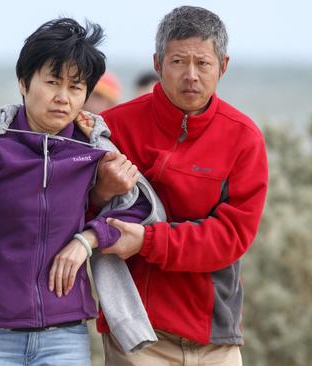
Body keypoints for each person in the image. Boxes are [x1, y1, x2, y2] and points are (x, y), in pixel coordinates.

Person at [0, 18, 157, 365]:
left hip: (65, 335)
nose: (63, 98)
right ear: (24, 82)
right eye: (52, 82)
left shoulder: (93, 151)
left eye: (76, 88)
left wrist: (87, 240)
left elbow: (139, 208)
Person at [83, 6, 268, 365]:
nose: (191, 76)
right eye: (179, 61)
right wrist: (101, 192)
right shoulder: (114, 126)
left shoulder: (244, 138)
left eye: (203, 63)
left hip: (217, 336)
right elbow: (75, 209)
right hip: (136, 334)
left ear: (223, 66)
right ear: (157, 62)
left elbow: (231, 237)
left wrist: (148, 242)